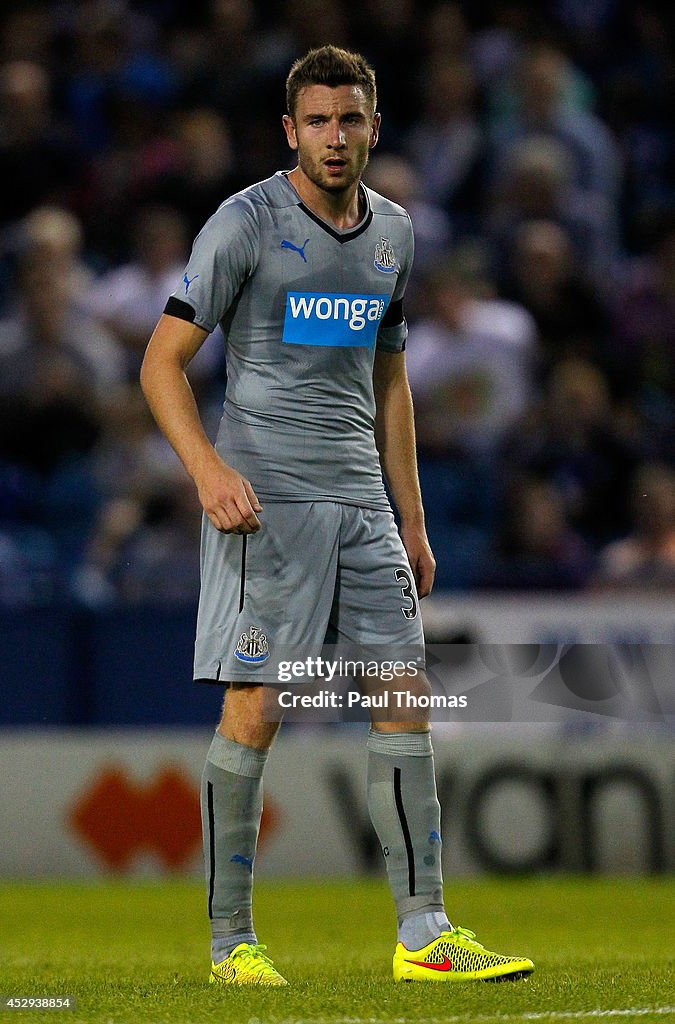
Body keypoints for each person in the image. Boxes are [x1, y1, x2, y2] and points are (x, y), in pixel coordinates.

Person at [140, 45, 533, 987]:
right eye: (315, 121)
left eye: (349, 120)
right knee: (260, 705)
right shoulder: (244, 223)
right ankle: (230, 944)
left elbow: (389, 376)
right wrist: (206, 471)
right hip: (266, 505)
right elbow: (161, 362)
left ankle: (423, 933)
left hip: (362, 500)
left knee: (404, 697)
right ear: (289, 131)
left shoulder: (394, 233)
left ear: (372, 127)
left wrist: (414, 517)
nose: (333, 137)